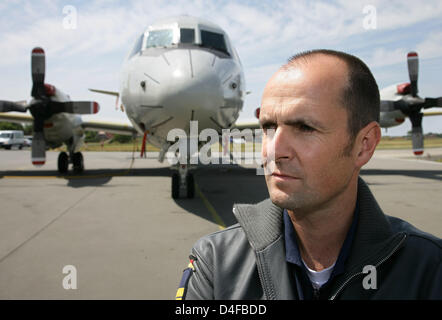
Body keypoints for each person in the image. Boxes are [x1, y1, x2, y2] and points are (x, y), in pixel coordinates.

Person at [175, 49, 442, 300]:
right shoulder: (213, 262)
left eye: (304, 127)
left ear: (364, 145)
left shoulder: (431, 270)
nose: (273, 151)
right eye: (268, 126)